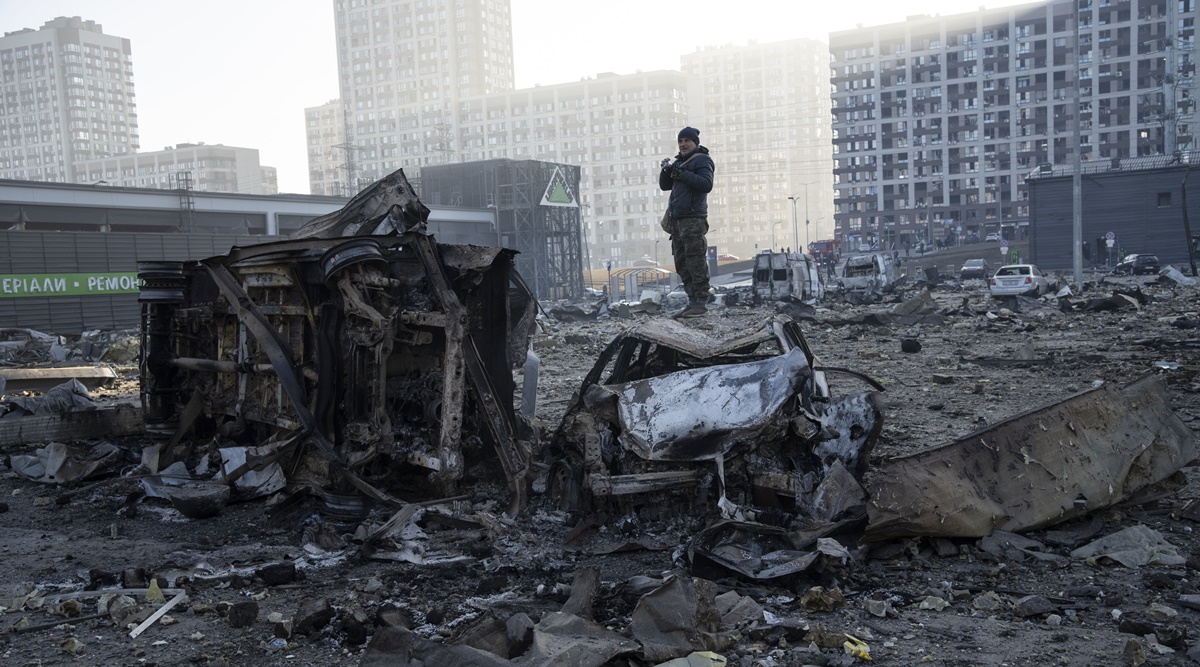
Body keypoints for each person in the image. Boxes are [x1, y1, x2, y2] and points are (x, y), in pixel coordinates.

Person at [659, 126, 715, 318]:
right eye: (680, 141)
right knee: (681, 262)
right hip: (677, 221)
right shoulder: (679, 163)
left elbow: (706, 184)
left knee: (695, 261)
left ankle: (701, 302)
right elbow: (665, 186)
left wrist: (681, 173)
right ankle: (692, 302)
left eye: (686, 141)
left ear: (695, 143)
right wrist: (667, 171)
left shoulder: (702, 160)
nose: (683, 144)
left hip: (693, 220)